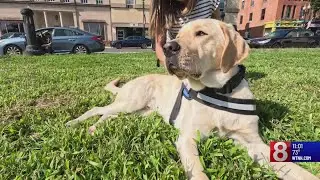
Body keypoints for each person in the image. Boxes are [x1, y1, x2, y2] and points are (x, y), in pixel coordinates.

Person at [150, 0, 221, 67]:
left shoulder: (209, 2)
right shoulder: (163, 7)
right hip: (175, 58)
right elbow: (159, 45)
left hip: (203, 62)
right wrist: (169, 63)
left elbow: (218, 33)